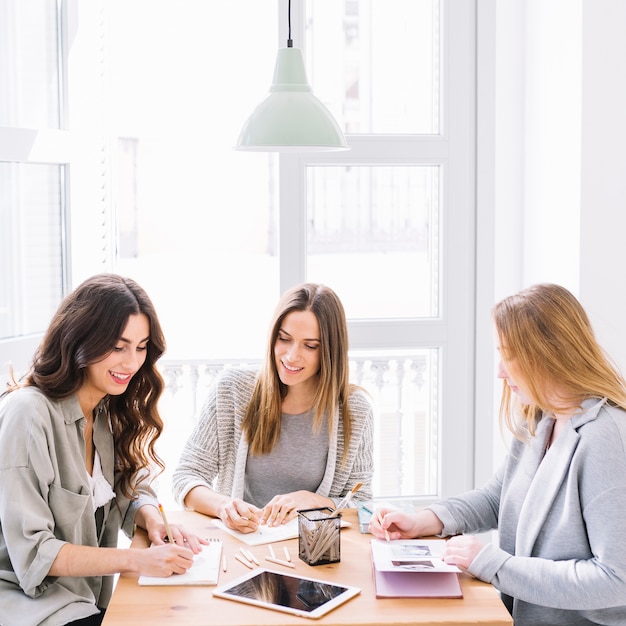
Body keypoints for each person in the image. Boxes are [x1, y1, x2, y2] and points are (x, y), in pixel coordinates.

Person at [369, 283, 626, 624]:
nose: (500, 372)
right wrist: (423, 521)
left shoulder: (606, 439)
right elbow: (497, 499)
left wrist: (494, 564)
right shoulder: (542, 416)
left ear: (546, 353)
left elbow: (616, 580)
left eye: (508, 355)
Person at [0, 274, 207, 626]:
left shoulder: (105, 412)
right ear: (81, 337)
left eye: (141, 347)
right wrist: (136, 561)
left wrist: (154, 521)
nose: (131, 363)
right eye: (117, 345)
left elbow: (127, 488)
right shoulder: (27, 414)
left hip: (87, 602)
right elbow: (36, 552)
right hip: (31, 607)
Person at [172, 283, 374, 533]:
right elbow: (186, 477)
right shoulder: (233, 391)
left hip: (313, 555)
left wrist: (315, 502)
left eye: (310, 346)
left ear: (330, 351)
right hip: (245, 547)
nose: (291, 356)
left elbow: (363, 502)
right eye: (284, 339)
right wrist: (224, 506)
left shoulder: (354, 410)